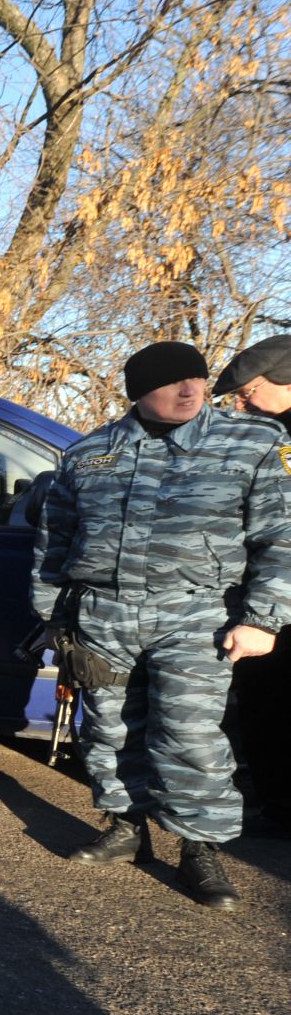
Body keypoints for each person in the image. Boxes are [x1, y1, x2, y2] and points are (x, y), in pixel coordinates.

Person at [37, 341, 289, 906]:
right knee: (107, 727)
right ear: (137, 394)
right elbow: (55, 541)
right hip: (104, 613)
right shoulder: (89, 453)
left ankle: (199, 849)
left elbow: (280, 537)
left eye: (196, 379)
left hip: (197, 613)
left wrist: (264, 619)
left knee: (191, 734)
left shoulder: (251, 442)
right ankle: (126, 829)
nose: (190, 390)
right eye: (172, 383)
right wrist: (51, 617)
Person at [213, 335, 291, 835]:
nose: (240, 402)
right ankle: (278, 805)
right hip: (264, 592)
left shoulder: (278, 444)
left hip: (279, 597)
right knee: (265, 700)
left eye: (250, 390)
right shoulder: (263, 434)